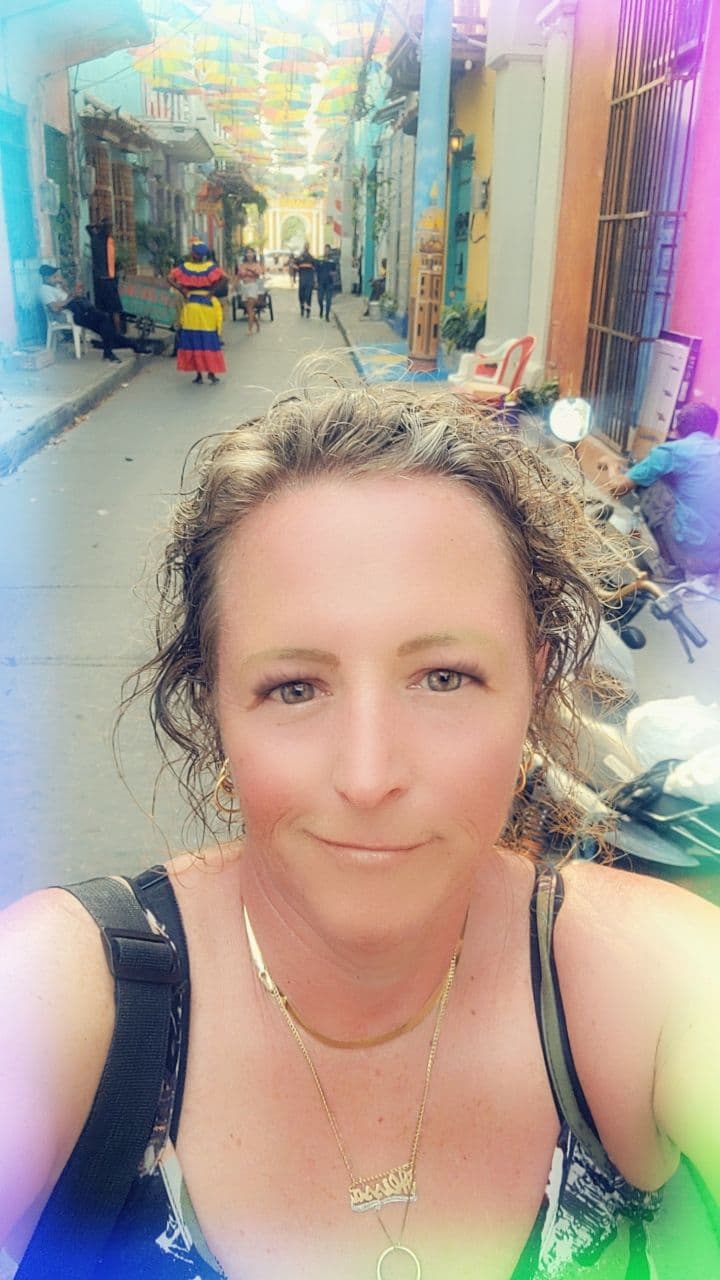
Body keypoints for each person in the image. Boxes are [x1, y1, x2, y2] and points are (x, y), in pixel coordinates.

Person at [1, 388, 719, 1279]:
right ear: (214, 705)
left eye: (445, 677)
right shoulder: (61, 998)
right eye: (295, 688)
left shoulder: (655, 981)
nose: (370, 775)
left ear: (533, 688)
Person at [607, 400, 720, 577]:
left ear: (678, 429)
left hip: (691, 556)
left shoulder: (672, 451)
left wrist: (611, 464)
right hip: (716, 557)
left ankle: (669, 564)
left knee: (651, 483)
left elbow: (617, 488)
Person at [38, 264, 142, 362]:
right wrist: (71, 297)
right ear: (46, 278)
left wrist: (65, 286)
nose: (56, 278)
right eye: (54, 277)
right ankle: (129, 347)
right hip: (73, 315)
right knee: (105, 320)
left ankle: (127, 348)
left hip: (81, 310)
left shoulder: (56, 287)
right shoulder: (44, 290)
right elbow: (55, 308)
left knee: (107, 330)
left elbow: (68, 296)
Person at [167, 240, 228, 385]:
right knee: (209, 339)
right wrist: (212, 292)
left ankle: (199, 375)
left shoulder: (185, 267)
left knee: (194, 339)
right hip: (207, 306)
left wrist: (182, 290)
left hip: (192, 306)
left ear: (193, 254)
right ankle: (211, 374)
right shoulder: (211, 267)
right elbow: (225, 278)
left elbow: (169, 278)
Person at [86, 218, 124, 333]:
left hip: (102, 280)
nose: (111, 229)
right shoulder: (102, 239)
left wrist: (99, 225)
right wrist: (101, 225)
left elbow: (88, 227)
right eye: (110, 227)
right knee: (115, 309)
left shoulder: (96, 238)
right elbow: (88, 227)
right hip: (107, 280)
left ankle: (109, 331)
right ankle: (116, 332)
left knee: (105, 309)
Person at [236, 247, 263, 335]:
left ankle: (249, 329)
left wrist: (251, 270)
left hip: (252, 287)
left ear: (254, 255)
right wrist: (233, 286)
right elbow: (239, 276)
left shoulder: (257, 264)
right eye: (248, 253)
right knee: (248, 309)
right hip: (244, 287)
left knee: (250, 308)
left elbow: (258, 275)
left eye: (251, 253)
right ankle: (257, 323)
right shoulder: (242, 265)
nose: (249, 255)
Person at [315, 244, 339, 321]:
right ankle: (321, 309)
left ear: (330, 251)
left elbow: (336, 272)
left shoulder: (332, 261)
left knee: (328, 300)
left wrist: (333, 273)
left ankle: (327, 315)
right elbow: (316, 271)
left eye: (328, 250)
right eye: (325, 249)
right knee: (320, 299)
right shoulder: (320, 259)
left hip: (329, 283)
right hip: (321, 283)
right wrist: (316, 281)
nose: (326, 251)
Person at [295, 241, 316, 317]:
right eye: (305, 246)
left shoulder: (311, 258)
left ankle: (308, 311)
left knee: (308, 296)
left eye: (308, 246)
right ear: (304, 247)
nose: (306, 247)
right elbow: (294, 265)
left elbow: (315, 270)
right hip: (302, 280)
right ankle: (302, 308)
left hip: (309, 280)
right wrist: (297, 271)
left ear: (309, 248)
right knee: (301, 296)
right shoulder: (300, 258)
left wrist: (314, 280)